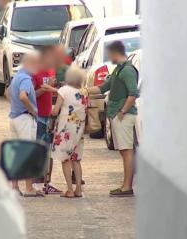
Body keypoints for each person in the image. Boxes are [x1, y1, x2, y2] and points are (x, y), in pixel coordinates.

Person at [83, 41, 138, 197]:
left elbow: (133, 93)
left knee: (127, 151)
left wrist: (122, 111)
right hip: (117, 114)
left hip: (123, 116)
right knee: (124, 151)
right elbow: (103, 87)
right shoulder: (118, 70)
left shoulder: (127, 70)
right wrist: (86, 90)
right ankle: (125, 185)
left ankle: (127, 186)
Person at [6, 52, 44, 197]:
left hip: (14, 118)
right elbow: (23, 96)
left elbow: (7, 93)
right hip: (24, 119)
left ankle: (15, 186)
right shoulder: (26, 79)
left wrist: (15, 106)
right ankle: (29, 188)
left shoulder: (17, 76)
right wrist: (32, 110)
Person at [51, 66, 88, 198]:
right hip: (79, 128)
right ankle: (78, 189)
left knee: (65, 159)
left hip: (65, 129)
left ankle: (69, 190)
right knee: (76, 160)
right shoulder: (84, 92)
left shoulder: (64, 90)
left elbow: (55, 111)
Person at [32, 46, 62, 194]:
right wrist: (44, 89)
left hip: (48, 114)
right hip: (37, 115)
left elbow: (52, 91)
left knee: (48, 149)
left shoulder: (51, 71)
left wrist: (52, 86)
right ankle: (36, 179)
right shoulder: (34, 73)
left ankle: (46, 180)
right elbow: (31, 95)